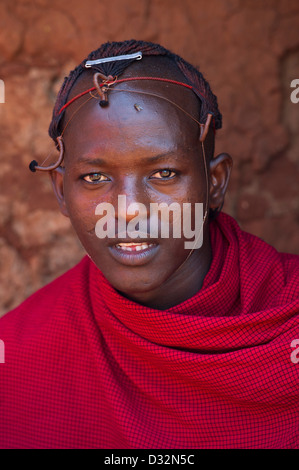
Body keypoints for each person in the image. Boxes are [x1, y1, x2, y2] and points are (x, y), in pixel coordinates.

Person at [0, 40, 298, 449]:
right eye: (94, 178)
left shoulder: (289, 319)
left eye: (163, 174)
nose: (128, 210)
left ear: (215, 183)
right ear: (61, 190)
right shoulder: (20, 355)